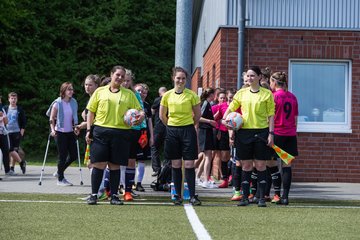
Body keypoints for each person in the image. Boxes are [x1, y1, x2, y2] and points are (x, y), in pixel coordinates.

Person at [86, 65, 144, 205]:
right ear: (111, 75)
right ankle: (94, 195)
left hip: (120, 133)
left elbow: (140, 111)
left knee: (115, 165)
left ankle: (114, 196)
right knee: (98, 164)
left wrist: (140, 117)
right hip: (100, 131)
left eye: (122, 76)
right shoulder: (99, 91)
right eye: (117, 75)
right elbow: (91, 112)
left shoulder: (129, 94)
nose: (120, 78)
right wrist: (89, 130)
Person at [222, 66, 275, 207]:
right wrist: (224, 119)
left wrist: (271, 133)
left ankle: (261, 198)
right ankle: (245, 197)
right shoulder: (241, 93)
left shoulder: (267, 94)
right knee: (246, 165)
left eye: (253, 75)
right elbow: (230, 108)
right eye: (248, 76)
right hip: (244, 133)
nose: (249, 78)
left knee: (260, 165)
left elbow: (271, 116)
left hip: (261, 132)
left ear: (259, 77)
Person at [160, 66, 201, 206]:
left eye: (183, 78)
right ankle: (177, 195)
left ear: (186, 80)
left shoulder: (192, 95)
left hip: (188, 130)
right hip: (172, 131)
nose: (180, 80)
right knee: (176, 164)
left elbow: (197, 115)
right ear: (173, 78)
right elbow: (162, 116)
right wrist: (172, 125)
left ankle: (192, 196)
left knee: (189, 164)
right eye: (178, 78)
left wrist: (187, 125)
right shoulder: (167, 95)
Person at [269, 72, 298, 205]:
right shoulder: (293, 97)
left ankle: (276, 194)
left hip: (277, 134)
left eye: (270, 82)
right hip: (290, 135)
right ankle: (285, 197)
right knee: (287, 166)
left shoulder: (273, 97)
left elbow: (269, 117)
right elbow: (295, 119)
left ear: (274, 82)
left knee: (271, 163)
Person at [120, 69, 145, 201]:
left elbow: (142, 111)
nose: (125, 82)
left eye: (128, 80)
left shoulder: (135, 94)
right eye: (124, 80)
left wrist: (140, 118)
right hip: (118, 130)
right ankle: (111, 189)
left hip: (133, 131)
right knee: (115, 160)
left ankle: (128, 190)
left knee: (131, 161)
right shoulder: (115, 92)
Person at [49, 82, 79, 186]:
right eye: (69, 89)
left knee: (74, 155)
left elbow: (74, 117)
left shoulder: (74, 102)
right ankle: (60, 179)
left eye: (72, 89)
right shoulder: (58, 103)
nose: (71, 91)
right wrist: (52, 130)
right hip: (59, 132)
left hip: (70, 132)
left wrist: (76, 127)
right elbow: (51, 119)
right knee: (62, 156)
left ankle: (59, 172)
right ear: (64, 91)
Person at [134, 83, 154, 192]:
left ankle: (139, 183)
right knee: (130, 160)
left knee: (142, 160)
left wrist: (152, 137)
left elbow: (150, 121)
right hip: (133, 134)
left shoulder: (146, 106)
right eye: (138, 91)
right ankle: (128, 183)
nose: (141, 93)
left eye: (143, 91)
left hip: (144, 135)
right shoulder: (131, 103)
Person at [197, 88, 217, 188]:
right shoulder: (205, 103)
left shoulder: (208, 104)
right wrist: (210, 121)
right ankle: (205, 180)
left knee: (206, 157)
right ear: (211, 94)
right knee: (208, 157)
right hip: (204, 131)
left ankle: (198, 177)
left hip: (207, 131)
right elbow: (198, 117)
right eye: (215, 94)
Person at [4, 92, 27, 174]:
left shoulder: (19, 109)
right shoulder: (5, 108)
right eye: (12, 98)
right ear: (9, 99)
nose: (13, 100)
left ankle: (12, 168)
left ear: (17, 100)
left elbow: (24, 122)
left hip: (16, 132)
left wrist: (22, 132)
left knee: (15, 151)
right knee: (10, 150)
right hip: (6, 132)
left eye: (15, 98)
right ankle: (22, 162)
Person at [150, 86, 167, 177]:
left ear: (159, 92)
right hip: (168, 126)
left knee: (154, 147)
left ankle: (157, 168)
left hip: (159, 126)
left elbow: (152, 112)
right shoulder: (170, 98)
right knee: (166, 148)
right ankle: (166, 168)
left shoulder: (158, 99)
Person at [0, 105, 11, 178]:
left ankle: (7, 170)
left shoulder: (2, 109)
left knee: (6, 151)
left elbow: (6, 122)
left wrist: (3, 117)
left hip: (3, 133)